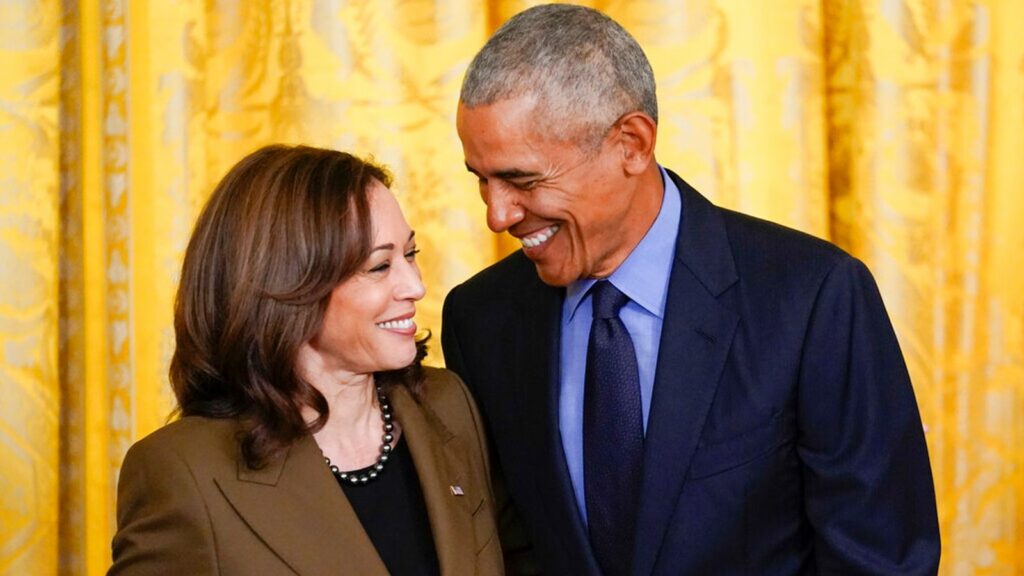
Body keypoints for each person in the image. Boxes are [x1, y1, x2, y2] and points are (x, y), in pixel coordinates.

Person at [441, 4, 940, 575]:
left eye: (521, 179)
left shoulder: (813, 298)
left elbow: (880, 559)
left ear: (631, 143)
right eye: (481, 179)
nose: (497, 215)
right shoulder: (480, 319)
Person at [110, 145, 502, 575]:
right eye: (378, 267)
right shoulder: (182, 471)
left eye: (410, 255)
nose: (414, 286)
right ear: (288, 286)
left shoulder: (449, 404)